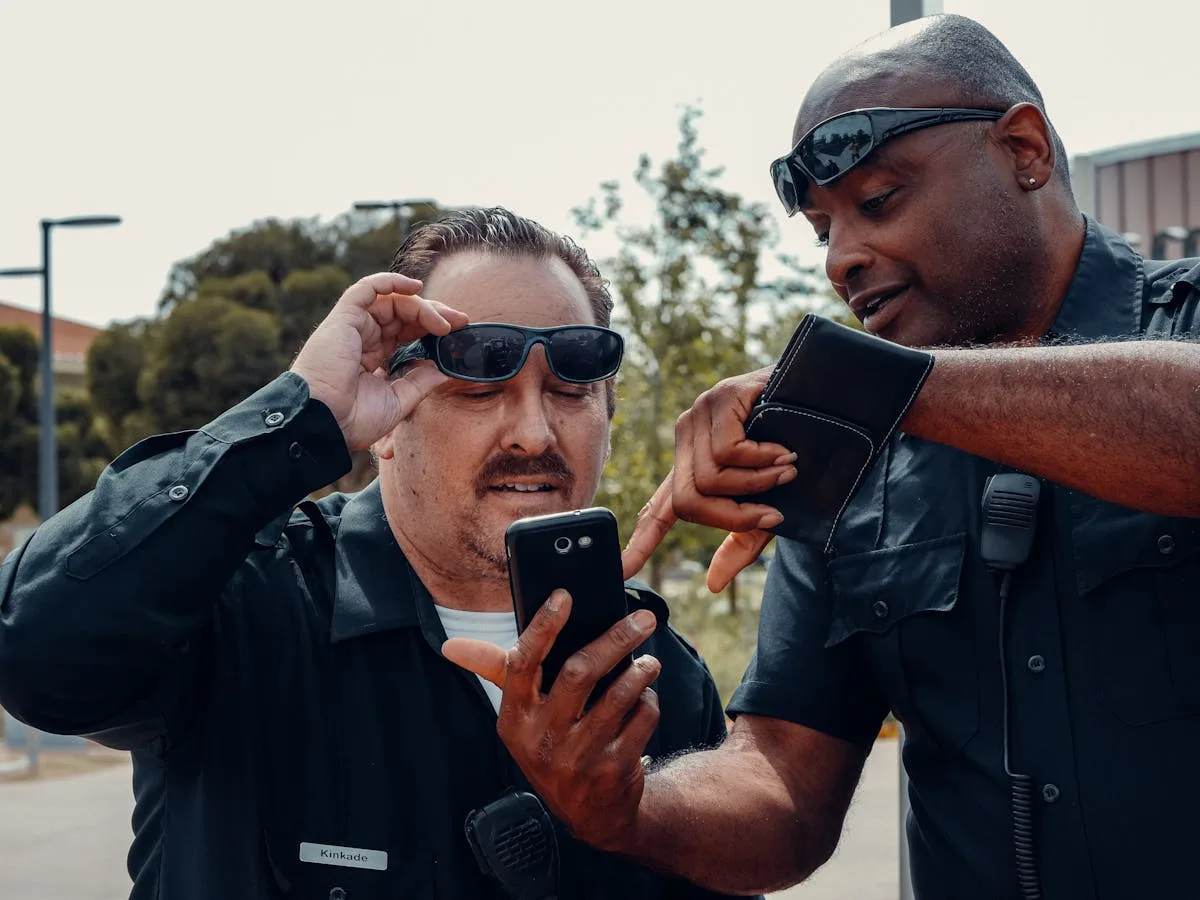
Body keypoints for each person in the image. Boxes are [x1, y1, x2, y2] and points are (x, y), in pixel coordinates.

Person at [443, 15, 1200, 900]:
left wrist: (868, 388)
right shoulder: (844, 459)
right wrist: (627, 807)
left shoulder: (1176, 326)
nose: (844, 257)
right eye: (821, 230)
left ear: (1023, 149)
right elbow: (784, 786)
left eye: (878, 202)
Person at [0, 208, 746, 900]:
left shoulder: (659, 677)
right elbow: (32, 655)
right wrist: (302, 413)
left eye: (572, 383)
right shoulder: (241, 605)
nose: (533, 433)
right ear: (383, 420)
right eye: (478, 378)